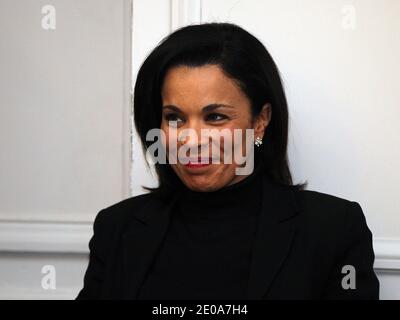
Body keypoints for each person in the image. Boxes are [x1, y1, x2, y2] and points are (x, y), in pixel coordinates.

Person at [76, 22, 379, 300]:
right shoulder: (116, 228)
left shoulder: (334, 229)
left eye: (216, 117)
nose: (191, 140)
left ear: (260, 120)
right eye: (174, 118)